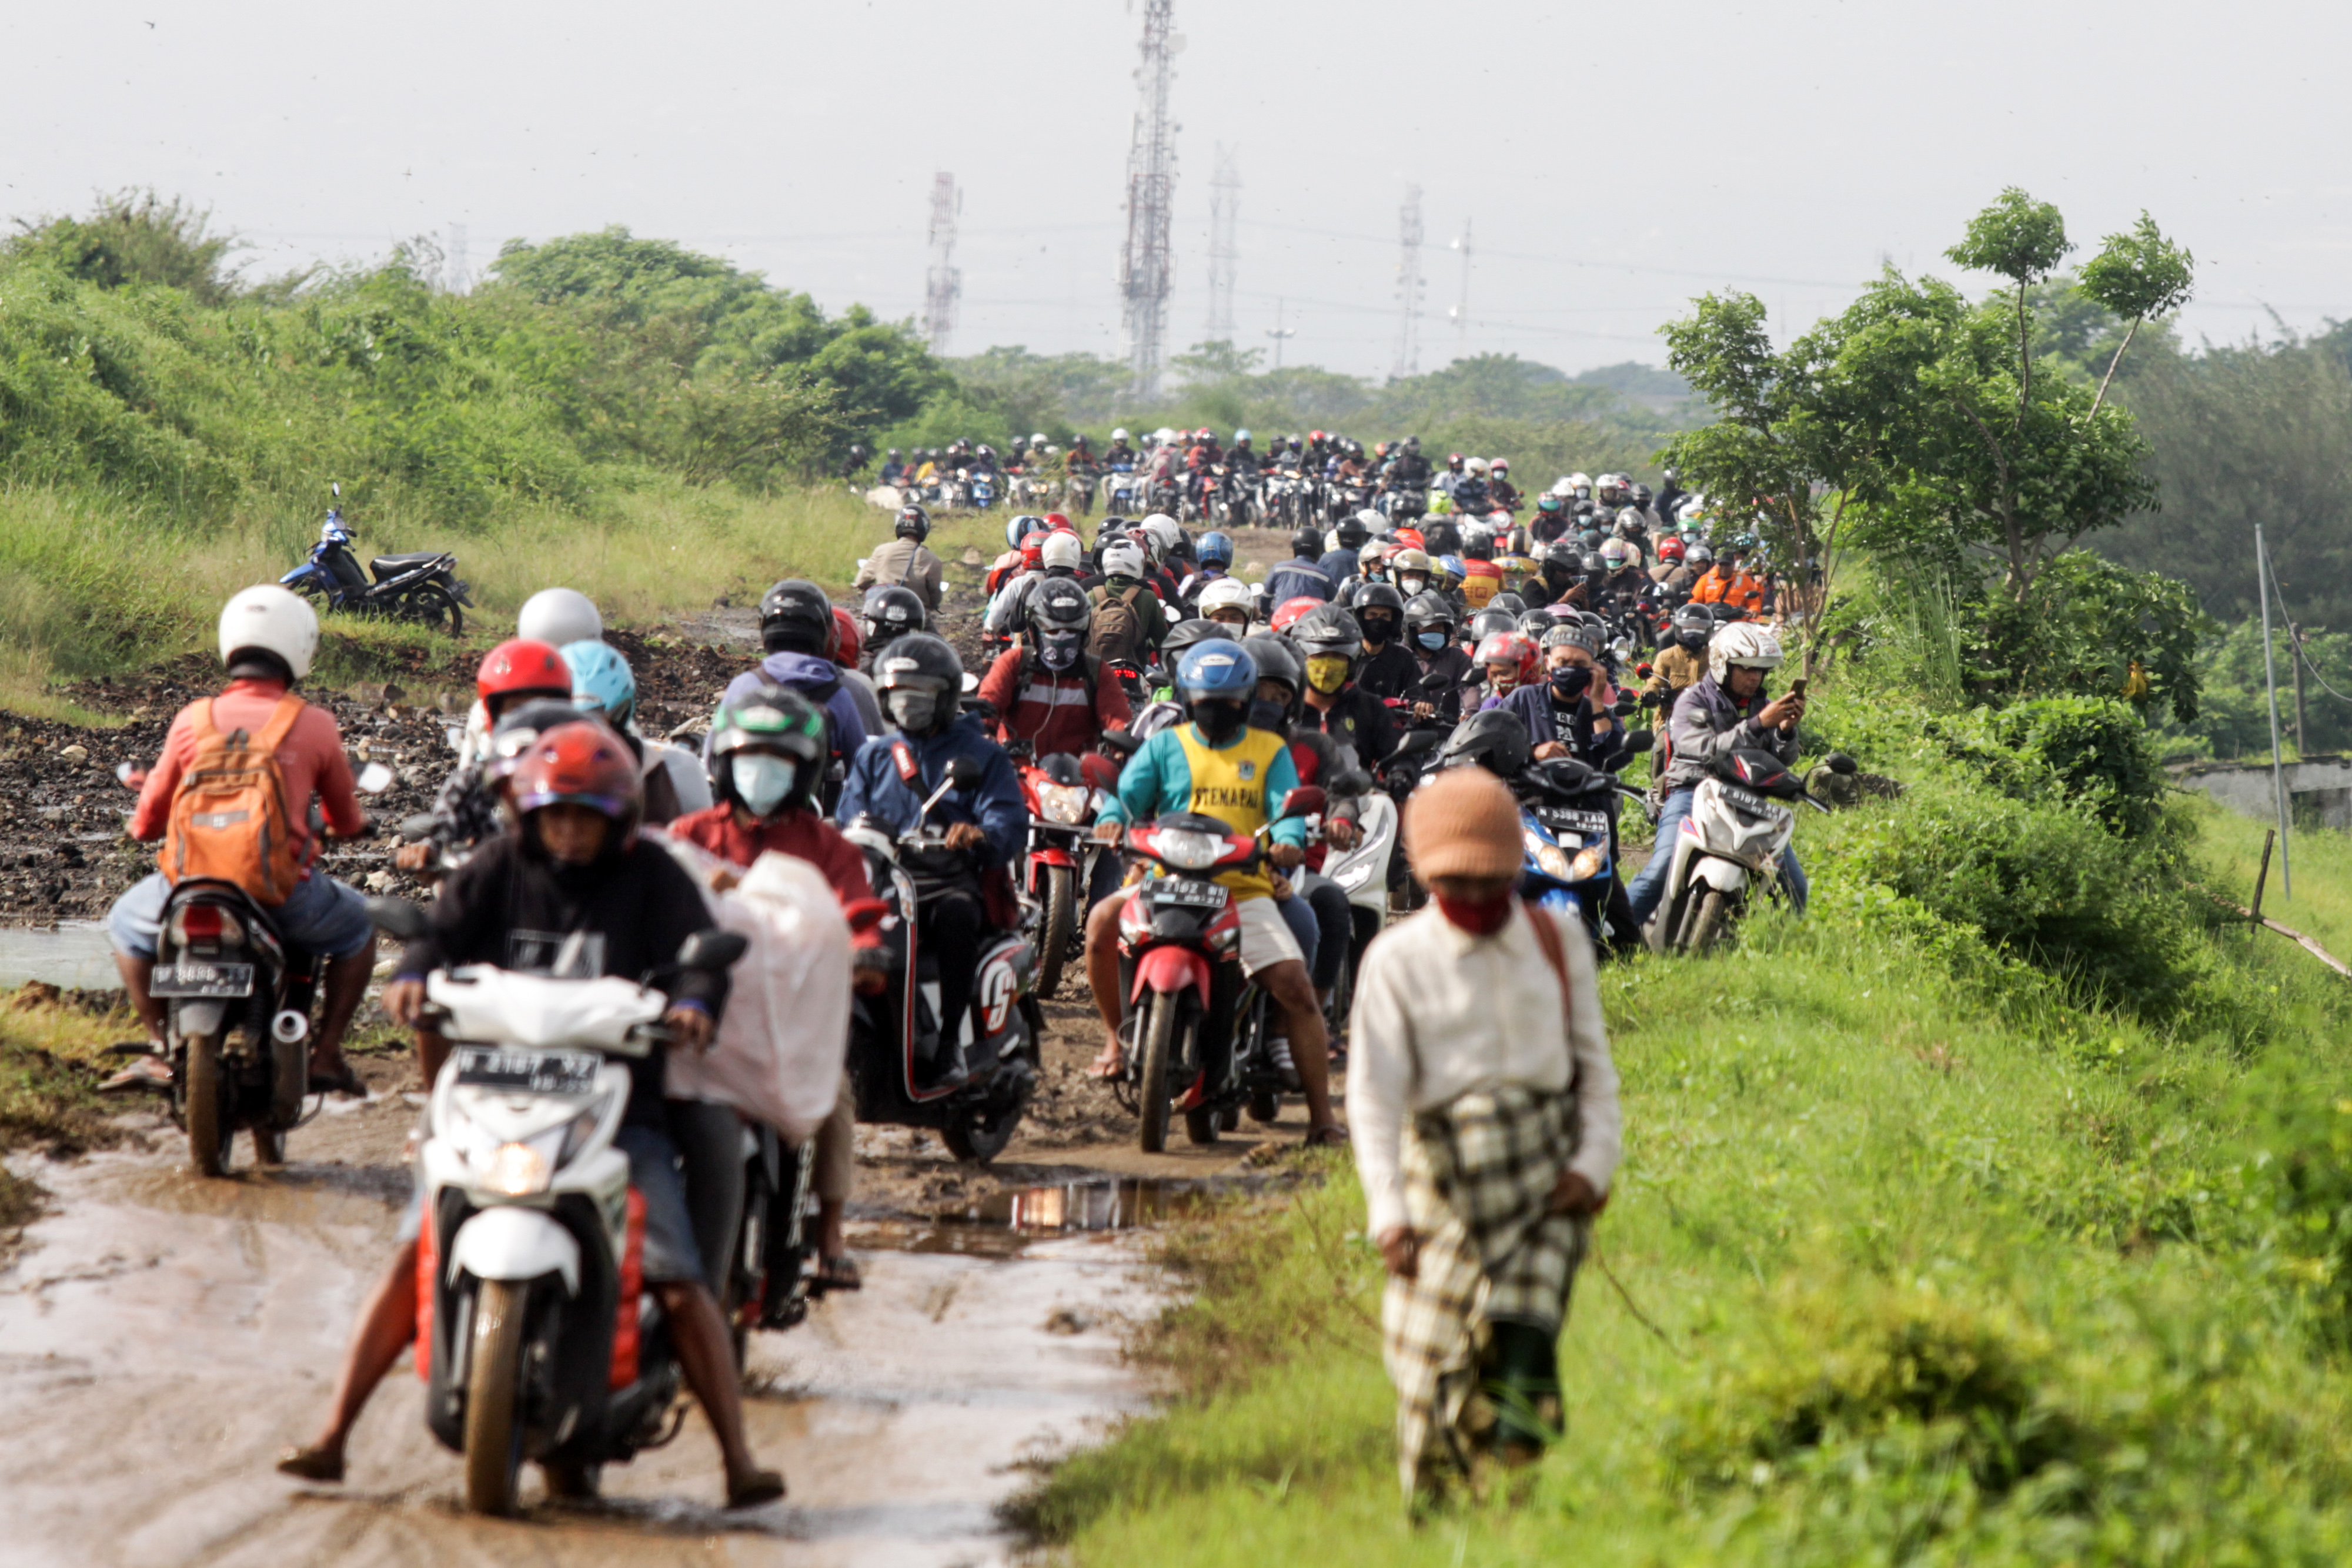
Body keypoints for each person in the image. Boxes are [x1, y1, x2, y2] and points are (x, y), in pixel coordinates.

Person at [280, 723, 785, 1508]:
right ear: (532, 814)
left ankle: (737, 1458)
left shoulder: (652, 873)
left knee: (679, 1280)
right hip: (495, 1098)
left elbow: (699, 953)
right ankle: (333, 1432)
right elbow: (436, 937)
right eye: (557, 815)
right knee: (416, 1244)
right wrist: (413, 977)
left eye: (586, 816)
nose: (571, 831)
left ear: (618, 818)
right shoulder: (499, 863)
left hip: (619, 1112)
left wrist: (691, 1003)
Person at [1347, 765, 1620, 1499]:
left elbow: (1593, 1070)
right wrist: (1389, 1211)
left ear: (1513, 872)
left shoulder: (1557, 944)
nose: (1472, 899)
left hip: (1545, 1181)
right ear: (1427, 877)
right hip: (1439, 1180)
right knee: (1430, 1363)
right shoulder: (1396, 961)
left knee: (1520, 1350)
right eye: (1453, 885)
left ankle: (1514, 1509)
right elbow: (1374, 1097)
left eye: (1487, 883)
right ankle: (1435, 1515)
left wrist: (1592, 1167)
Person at [106, 587, 376, 1098]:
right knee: (359, 926)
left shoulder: (192, 719)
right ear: (302, 648)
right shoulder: (314, 724)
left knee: (124, 923)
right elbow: (344, 814)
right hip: (279, 893)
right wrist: (347, 827)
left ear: (231, 642)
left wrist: (145, 827)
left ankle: (158, 1044)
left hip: (188, 890)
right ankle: (325, 1054)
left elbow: (146, 824)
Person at [1081, 642, 1347, 1146]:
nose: (1216, 711)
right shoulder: (1165, 745)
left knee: (1295, 986)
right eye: (1206, 701)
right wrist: (1112, 820)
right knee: (1099, 924)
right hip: (1162, 880)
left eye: (1227, 702)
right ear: (1188, 698)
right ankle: (1116, 1040)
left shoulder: (1269, 751)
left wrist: (1288, 843)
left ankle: (1322, 1117)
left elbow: (1286, 810)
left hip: (1243, 889)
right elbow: (1124, 796)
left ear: (1244, 702)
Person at [669, 686, 883, 1293]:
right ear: (723, 763)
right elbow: (658, 898)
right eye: (749, 757)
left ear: (805, 769)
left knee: (832, 1098)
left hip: (790, 1017)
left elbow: (859, 912)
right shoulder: (690, 833)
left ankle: (830, 1236)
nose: (761, 773)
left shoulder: (827, 847)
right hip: (701, 1014)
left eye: (779, 761)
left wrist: (866, 950)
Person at [838, 634, 1027, 1053]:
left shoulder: (982, 755)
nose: (908, 704)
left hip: (946, 877)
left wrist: (978, 833)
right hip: (881, 879)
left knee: (957, 917)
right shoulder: (874, 756)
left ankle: (950, 1042)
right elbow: (847, 818)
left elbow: (1007, 819)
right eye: (899, 694)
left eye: (920, 695)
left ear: (944, 697)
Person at [1624, 623, 1807, 924]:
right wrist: (1758, 724)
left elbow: (1781, 759)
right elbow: (1702, 748)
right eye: (1747, 669)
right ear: (1723, 664)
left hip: (1748, 799)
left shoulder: (1763, 705)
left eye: (1761, 671)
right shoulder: (1693, 699)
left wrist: (1785, 732)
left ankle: (1787, 950)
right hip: (1693, 792)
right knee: (1661, 869)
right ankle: (1609, 938)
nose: (1755, 678)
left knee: (1795, 888)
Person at [721, 581, 871, 800]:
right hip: (814, 823)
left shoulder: (744, 686)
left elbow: (713, 762)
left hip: (746, 819)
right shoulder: (840, 694)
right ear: (824, 631)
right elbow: (861, 769)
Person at [562, 639, 711, 825]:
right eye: (571, 720)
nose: (583, 733)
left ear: (619, 715)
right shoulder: (533, 766)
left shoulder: (654, 767)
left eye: (596, 720)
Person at [978, 580, 1133, 757]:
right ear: (1034, 631)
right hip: (1016, 773)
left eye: (1071, 631)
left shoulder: (1096, 672)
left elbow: (1117, 720)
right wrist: (984, 732)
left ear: (1083, 632)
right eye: (1052, 631)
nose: (1062, 638)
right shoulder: (1015, 663)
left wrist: (1123, 749)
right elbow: (989, 703)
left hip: (1079, 777)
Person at [1291, 604, 1397, 771]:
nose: (1328, 665)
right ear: (1301, 658)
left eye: (1337, 656)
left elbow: (1397, 754)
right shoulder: (1286, 709)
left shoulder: (1370, 709)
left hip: (1355, 794)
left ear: (1352, 661)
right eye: (1320, 655)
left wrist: (1402, 774)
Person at [1088, 538, 1170, 666]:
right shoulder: (1148, 597)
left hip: (1098, 669)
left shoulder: (1092, 596)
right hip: (1136, 667)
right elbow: (1161, 640)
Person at [854, 505, 945, 612]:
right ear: (924, 528)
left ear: (898, 524)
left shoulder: (882, 551)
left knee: (861, 628)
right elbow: (935, 597)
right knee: (930, 629)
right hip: (915, 615)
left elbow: (860, 582)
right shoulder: (932, 559)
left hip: (882, 612)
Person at [1351, 582, 1421, 702]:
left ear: (1393, 621)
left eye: (1385, 616)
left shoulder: (1404, 658)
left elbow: (1417, 696)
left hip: (1392, 720)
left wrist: (1422, 706)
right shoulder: (1347, 655)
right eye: (1372, 615)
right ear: (1361, 617)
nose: (1378, 620)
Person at [1265, 527, 1335, 606]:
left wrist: (1266, 612)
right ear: (1318, 549)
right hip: (1313, 617)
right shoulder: (1325, 576)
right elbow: (1334, 603)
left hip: (1283, 617)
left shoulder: (1277, 569)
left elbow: (1265, 597)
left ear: (1295, 547)